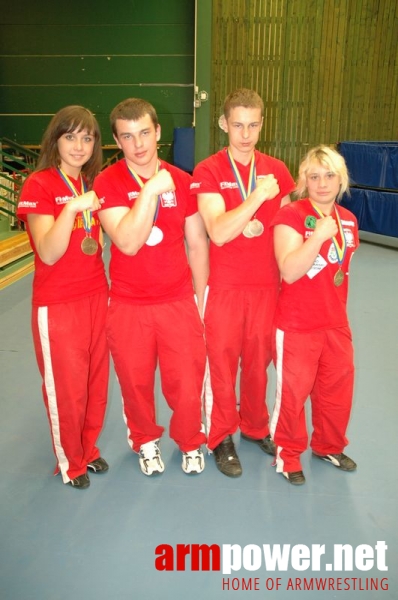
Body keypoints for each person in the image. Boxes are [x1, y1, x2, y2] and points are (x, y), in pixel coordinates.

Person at [93, 98, 208, 476]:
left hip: (177, 301)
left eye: (144, 133)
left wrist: (201, 299)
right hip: (128, 304)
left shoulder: (184, 181)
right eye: (127, 136)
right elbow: (126, 241)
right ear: (116, 140)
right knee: (135, 382)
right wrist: (150, 191)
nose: (138, 144)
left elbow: (196, 244)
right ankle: (144, 440)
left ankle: (191, 441)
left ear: (158, 132)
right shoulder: (106, 182)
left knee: (187, 381)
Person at [190, 88, 295, 477]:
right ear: (223, 124)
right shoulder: (210, 170)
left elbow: (286, 227)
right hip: (225, 288)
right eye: (238, 125)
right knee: (219, 364)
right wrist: (255, 198)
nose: (246, 135)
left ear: (262, 124)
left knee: (257, 364)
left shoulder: (278, 170)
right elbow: (218, 231)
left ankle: (253, 426)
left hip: (267, 288)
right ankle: (220, 436)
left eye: (253, 125)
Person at [17, 106, 109, 490]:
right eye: (70, 136)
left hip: (95, 297)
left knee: (94, 382)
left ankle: (87, 448)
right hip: (58, 304)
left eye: (87, 138)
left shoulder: (92, 184)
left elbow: (97, 245)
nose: (79, 146)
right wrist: (71, 208)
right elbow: (49, 252)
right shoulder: (39, 185)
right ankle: (70, 461)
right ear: (55, 139)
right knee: (66, 387)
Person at [270, 145, 359, 485]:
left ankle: (328, 446)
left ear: (341, 180)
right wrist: (318, 237)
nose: (322, 183)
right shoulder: (291, 215)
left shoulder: (349, 220)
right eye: (314, 176)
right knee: (293, 395)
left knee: (337, 391)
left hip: (336, 323)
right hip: (297, 325)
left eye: (329, 176)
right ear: (304, 180)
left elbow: (340, 270)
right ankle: (288, 455)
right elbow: (289, 271)